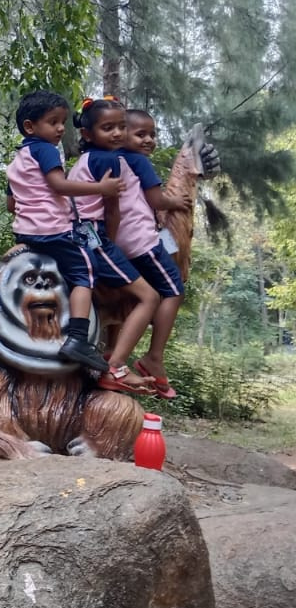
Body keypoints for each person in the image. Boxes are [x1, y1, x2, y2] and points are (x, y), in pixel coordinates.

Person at [6, 90, 130, 377]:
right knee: (85, 271)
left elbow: (11, 204)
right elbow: (60, 185)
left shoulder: (18, 159)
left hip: (26, 233)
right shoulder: (46, 150)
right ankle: (78, 338)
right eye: (53, 122)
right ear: (30, 126)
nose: (61, 128)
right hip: (54, 231)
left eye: (63, 122)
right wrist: (101, 188)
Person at [66, 97, 161, 394]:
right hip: (91, 235)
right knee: (150, 296)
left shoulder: (86, 159)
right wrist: (112, 245)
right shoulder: (108, 161)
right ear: (87, 133)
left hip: (75, 230)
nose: (118, 133)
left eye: (121, 127)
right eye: (108, 128)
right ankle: (117, 367)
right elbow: (112, 212)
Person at [118, 108, 192, 397]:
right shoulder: (139, 161)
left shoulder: (115, 160)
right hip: (140, 243)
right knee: (174, 289)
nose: (149, 140)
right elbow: (156, 199)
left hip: (118, 242)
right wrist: (176, 202)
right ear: (121, 134)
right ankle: (154, 356)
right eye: (141, 134)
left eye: (152, 134)